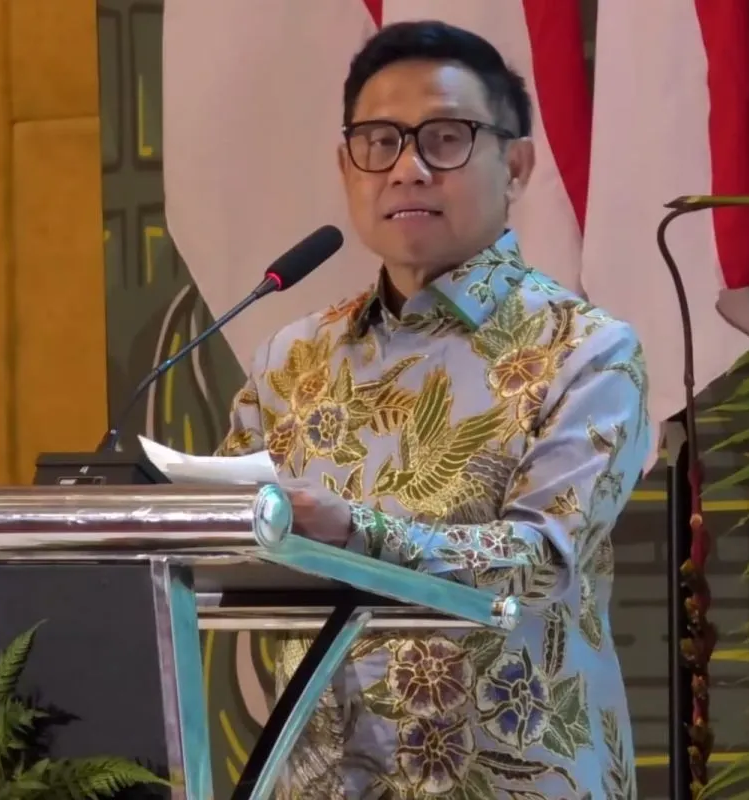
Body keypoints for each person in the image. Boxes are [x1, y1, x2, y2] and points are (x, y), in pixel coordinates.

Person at [216, 20, 649, 799]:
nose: (407, 168)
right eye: (379, 142)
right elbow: (222, 546)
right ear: (346, 166)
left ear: (516, 165)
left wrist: (354, 530)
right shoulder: (289, 359)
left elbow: (538, 562)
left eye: (445, 139)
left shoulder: (586, 350)